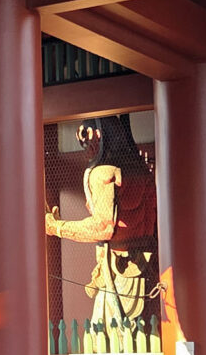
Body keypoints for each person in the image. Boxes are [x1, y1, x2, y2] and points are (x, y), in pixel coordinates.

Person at [45, 116, 157, 328]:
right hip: (147, 267)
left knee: (107, 335)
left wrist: (56, 227)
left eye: (84, 134)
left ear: (98, 134)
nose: (82, 143)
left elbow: (103, 227)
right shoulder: (140, 170)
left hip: (120, 271)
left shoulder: (101, 174)